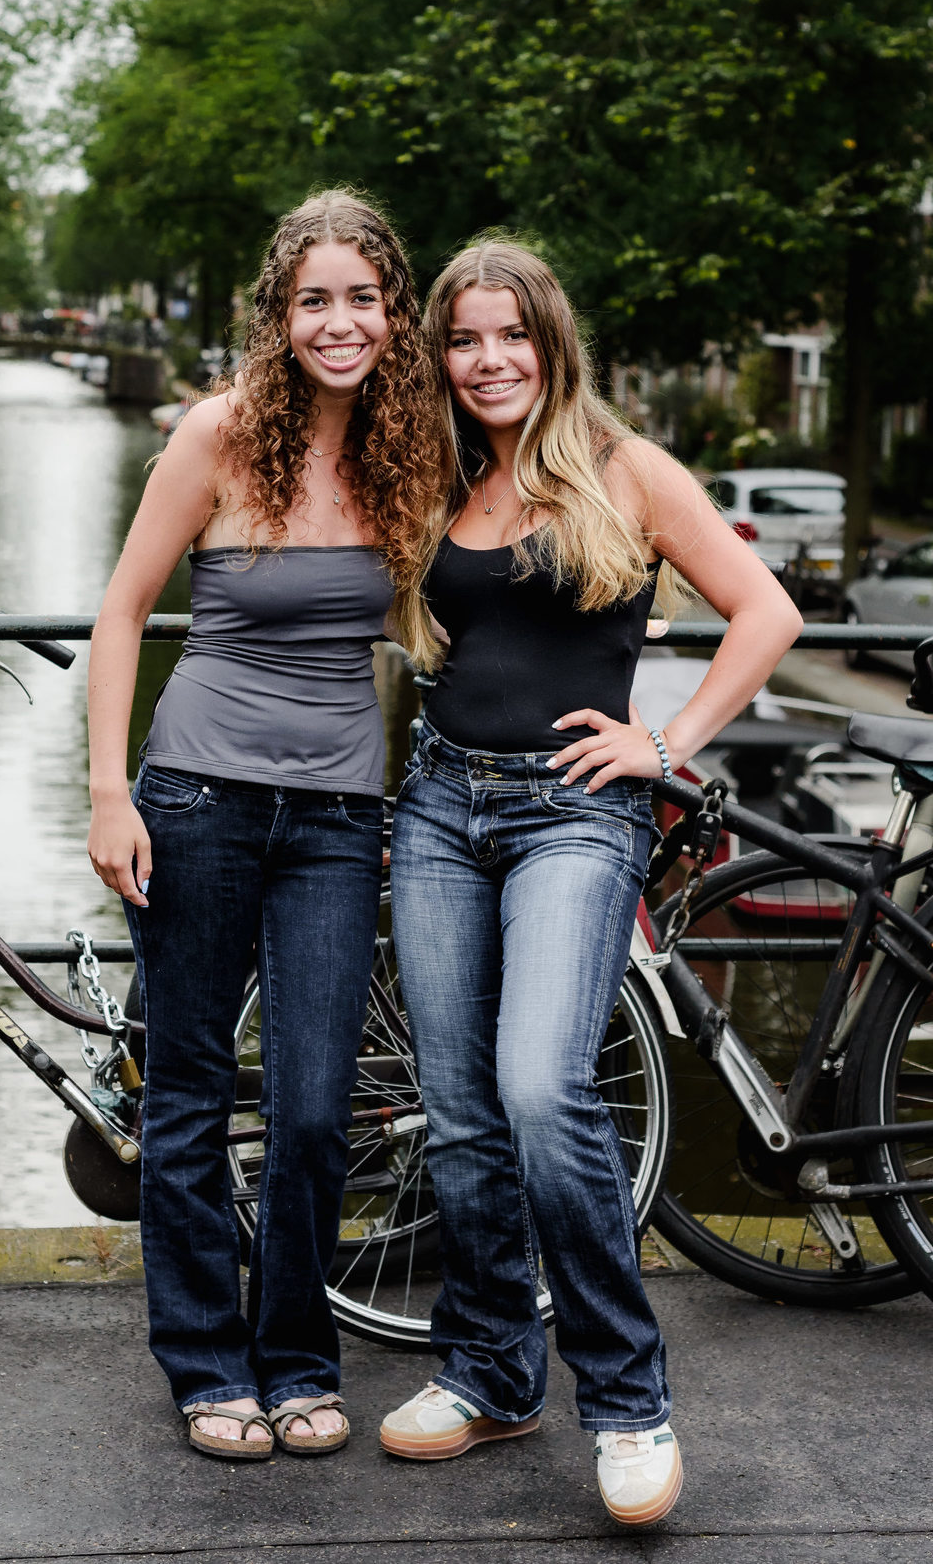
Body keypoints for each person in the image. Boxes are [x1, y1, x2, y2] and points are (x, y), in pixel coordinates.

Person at [381, 240, 802, 1525]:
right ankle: (495, 1369)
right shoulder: (445, 468)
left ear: (551, 341)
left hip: (576, 812)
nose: (488, 358)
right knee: (453, 1107)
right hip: (440, 804)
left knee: (537, 1088)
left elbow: (766, 613)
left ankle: (626, 1401)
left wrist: (664, 743)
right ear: (443, 354)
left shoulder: (624, 467)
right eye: (464, 338)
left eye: (510, 334)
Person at [86, 191, 447, 1461]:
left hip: (344, 816)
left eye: (363, 299)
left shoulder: (415, 450)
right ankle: (203, 1361)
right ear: (279, 317)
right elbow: (124, 611)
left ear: (395, 314)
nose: (339, 322)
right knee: (187, 1091)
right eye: (314, 300)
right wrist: (108, 792)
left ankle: (297, 1357)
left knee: (310, 1107)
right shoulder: (221, 434)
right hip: (197, 799)